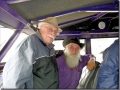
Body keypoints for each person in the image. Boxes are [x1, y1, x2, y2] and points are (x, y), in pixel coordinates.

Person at [2, 17, 62, 89]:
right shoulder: (29, 45)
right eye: (50, 29)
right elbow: (14, 80)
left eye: (55, 31)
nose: (53, 33)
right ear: (40, 28)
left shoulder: (50, 48)